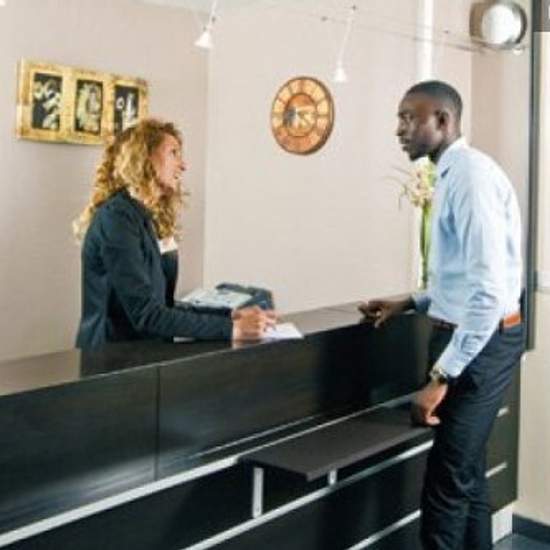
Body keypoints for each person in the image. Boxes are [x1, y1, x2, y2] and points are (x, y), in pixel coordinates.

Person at [360, 81, 524, 550]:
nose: (399, 130)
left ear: (443, 120)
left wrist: (441, 376)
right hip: (472, 337)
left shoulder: (469, 176)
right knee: (466, 476)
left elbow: (488, 292)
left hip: (481, 343)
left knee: (445, 484)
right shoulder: (451, 173)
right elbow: (463, 277)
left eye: (408, 118)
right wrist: (410, 302)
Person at [74, 118, 276, 349]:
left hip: (146, 356)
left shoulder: (148, 218)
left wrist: (230, 316)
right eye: (174, 153)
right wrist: (231, 329)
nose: (183, 165)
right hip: (110, 360)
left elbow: (164, 306)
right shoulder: (116, 219)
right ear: (145, 157)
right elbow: (146, 315)